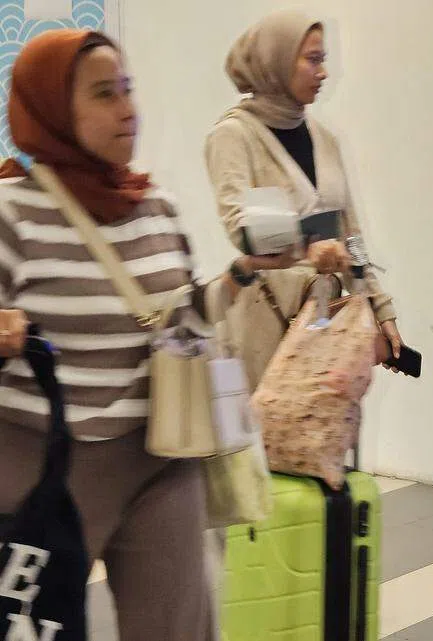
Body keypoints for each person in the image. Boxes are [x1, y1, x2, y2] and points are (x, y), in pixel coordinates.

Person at [0, 29, 324, 641]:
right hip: (41, 473)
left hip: (158, 459)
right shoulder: (12, 212)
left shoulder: (154, 207)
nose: (128, 109)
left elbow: (178, 320)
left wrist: (239, 276)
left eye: (127, 89)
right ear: (52, 108)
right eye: (104, 94)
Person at [205, 10, 404, 389]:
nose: (323, 73)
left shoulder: (325, 140)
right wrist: (313, 242)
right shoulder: (234, 135)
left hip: (324, 324)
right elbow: (243, 231)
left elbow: (351, 236)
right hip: (265, 325)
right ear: (277, 62)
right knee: (271, 423)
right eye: (313, 60)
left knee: (326, 422)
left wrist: (380, 308)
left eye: (323, 60)